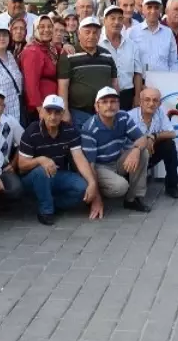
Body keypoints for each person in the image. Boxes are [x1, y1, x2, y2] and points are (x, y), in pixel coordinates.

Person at [17, 95, 101, 224]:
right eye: (49, 111)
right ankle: (46, 211)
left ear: (62, 114)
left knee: (83, 188)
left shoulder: (69, 130)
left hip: (58, 174)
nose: (53, 116)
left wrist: (92, 183)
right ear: (42, 112)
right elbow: (22, 165)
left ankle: (50, 202)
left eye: (57, 112)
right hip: (33, 178)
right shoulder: (31, 131)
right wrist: (40, 160)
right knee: (41, 171)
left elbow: (79, 158)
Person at [80, 87, 152, 213]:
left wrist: (135, 150)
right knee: (120, 187)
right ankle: (97, 194)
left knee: (142, 152)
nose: (109, 105)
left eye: (113, 101)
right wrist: (96, 200)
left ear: (118, 105)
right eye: (105, 102)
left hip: (117, 160)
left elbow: (142, 138)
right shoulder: (89, 128)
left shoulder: (123, 117)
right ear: (97, 107)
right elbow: (90, 165)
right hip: (100, 167)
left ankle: (133, 199)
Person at [58, 16, 119, 127]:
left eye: (95, 32)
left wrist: (116, 106)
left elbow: (114, 82)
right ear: (79, 34)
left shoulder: (107, 55)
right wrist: (65, 111)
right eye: (87, 32)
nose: (91, 36)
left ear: (100, 34)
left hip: (104, 113)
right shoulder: (69, 54)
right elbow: (63, 86)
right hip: (79, 113)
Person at [129, 86, 178, 199]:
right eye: (147, 100)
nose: (151, 104)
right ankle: (134, 192)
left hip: (150, 152)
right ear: (140, 102)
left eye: (155, 100)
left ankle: (172, 186)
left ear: (160, 103)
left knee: (169, 145)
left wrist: (153, 136)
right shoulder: (129, 116)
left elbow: (172, 133)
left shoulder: (160, 113)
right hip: (132, 158)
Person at [101, 5, 143, 110]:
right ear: (104, 21)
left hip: (128, 95)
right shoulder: (98, 44)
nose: (116, 22)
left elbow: (137, 73)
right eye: (112, 18)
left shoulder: (132, 45)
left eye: (120, 19)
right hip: (105, 96)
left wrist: (137, 96)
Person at [19, 15, 60, 123]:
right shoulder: (32, 51)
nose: (46, 30)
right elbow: (31, 84)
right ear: (35, 29)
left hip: (52, 105)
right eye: (41, 27)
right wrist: (40, 109)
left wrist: (67, 46)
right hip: (41, 109)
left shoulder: (50, 49)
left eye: (49, 26)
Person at [132, 0, 178, 74]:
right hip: (141, 82)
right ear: (143, 9)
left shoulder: (168, 32)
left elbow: (173, 61)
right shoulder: (133, 32)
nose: (153, 11)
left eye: (156, 7)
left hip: (164, 81)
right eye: (149, 7)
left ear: (160, 10)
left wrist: (171, 81)